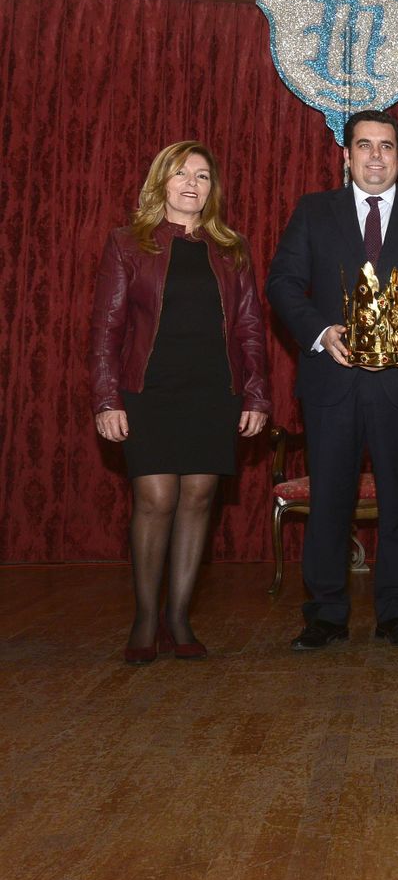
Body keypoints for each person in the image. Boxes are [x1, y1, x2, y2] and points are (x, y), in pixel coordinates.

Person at [266, 110, 398, 650]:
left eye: (385, 147)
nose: (375, 156)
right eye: (364, 146)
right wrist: (318, 331)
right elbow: (283, 282)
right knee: (330, 498)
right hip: (333, 382)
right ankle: (325, 614)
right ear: (346, 157)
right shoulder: (314, 212)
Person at [91, 141, 270, 664]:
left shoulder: (231, 247)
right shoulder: (128, 244)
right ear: (161, 182)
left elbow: (250, 327)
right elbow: (107, 329)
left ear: (213, 189)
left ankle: (179, 617)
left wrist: (256, 393)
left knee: (197, 500)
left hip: (214, 390)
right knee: (155, 500)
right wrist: (106, 399)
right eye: (181, 174)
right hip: (148, 390)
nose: (193, 183)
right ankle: (146, 619)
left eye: (203, 176)